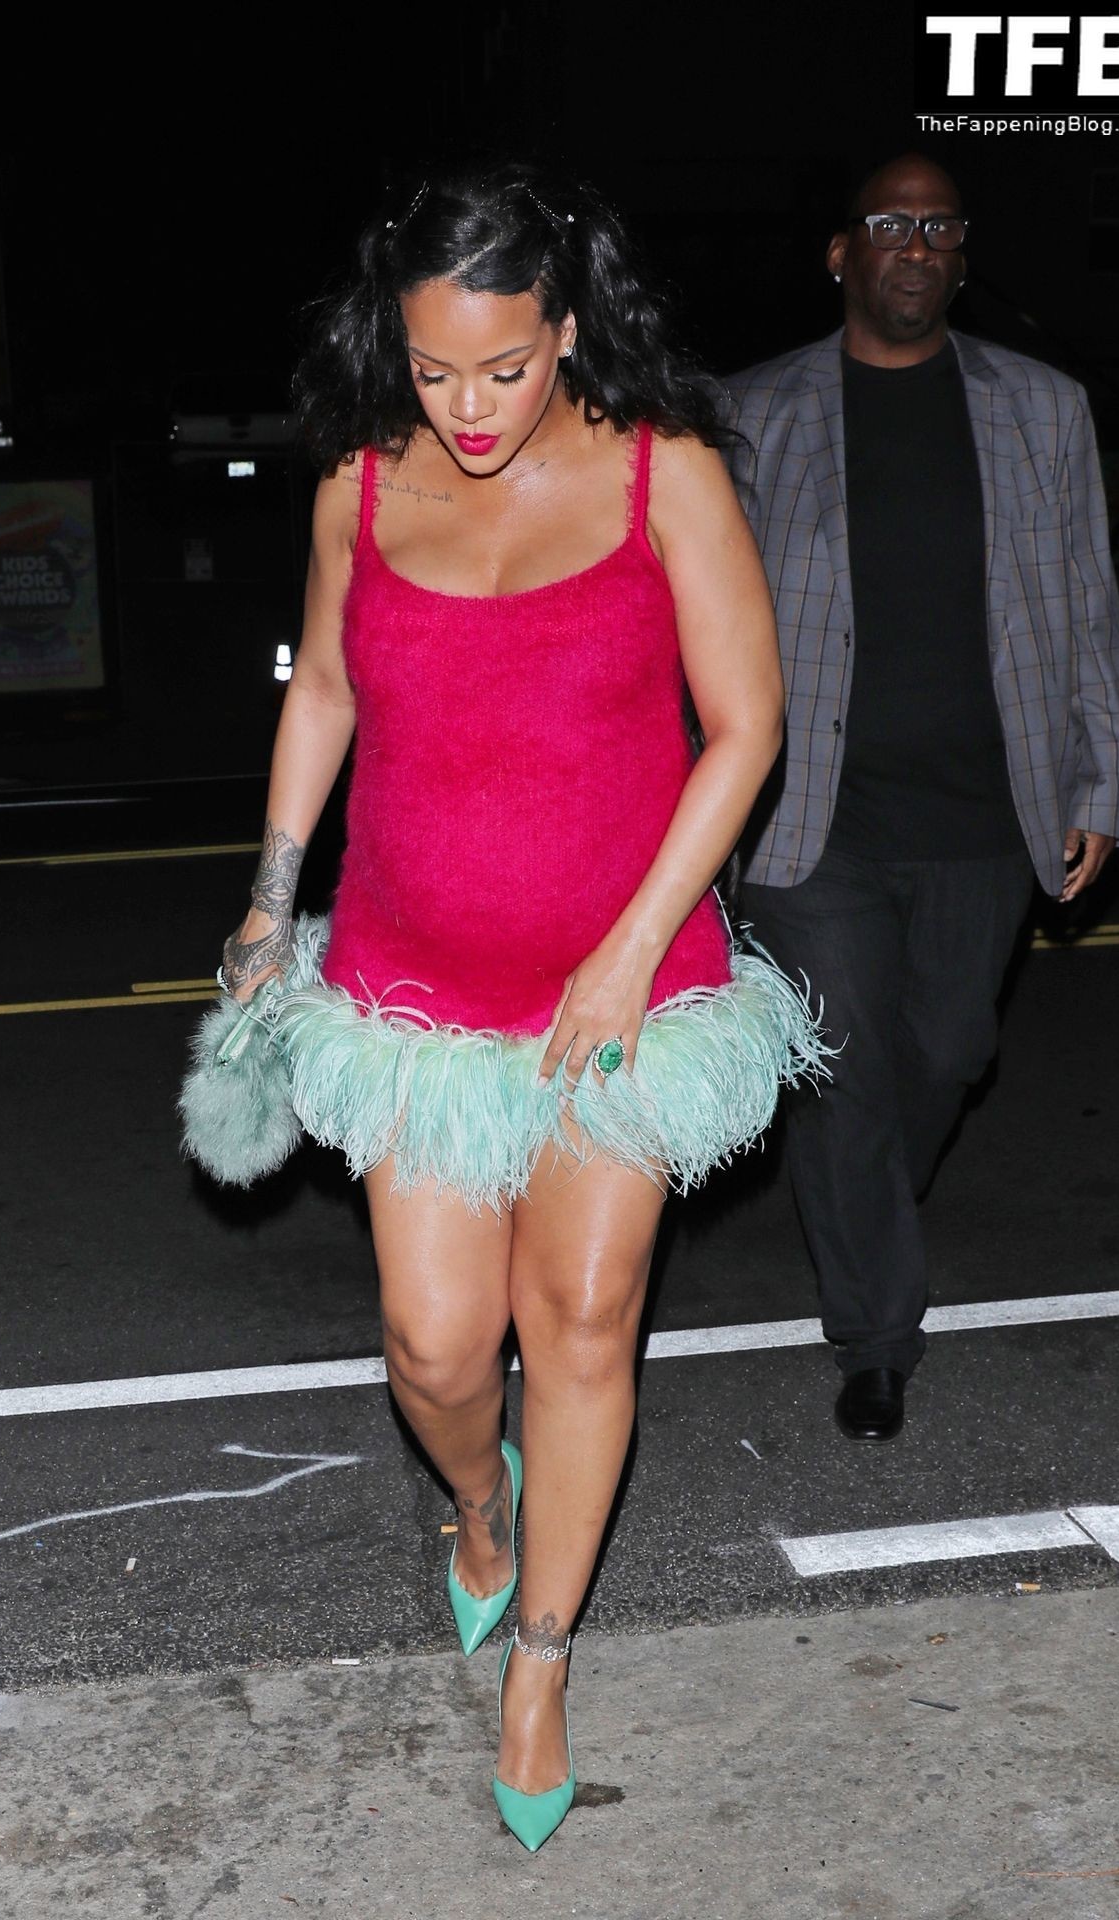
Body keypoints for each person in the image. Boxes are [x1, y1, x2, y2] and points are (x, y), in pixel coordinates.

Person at [180, 161, 827, 1851]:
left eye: (507, 366)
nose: (469, 407)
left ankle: (542, 1659)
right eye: (434, 369)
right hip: (415, 997)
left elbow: (747, 726)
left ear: (571, 327)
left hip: (628, 994)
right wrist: (270, 900)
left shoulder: (663, 469)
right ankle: (482, 1504)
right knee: (436, 1343)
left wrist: (629, 948)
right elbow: (326, 689)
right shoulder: (358, 478)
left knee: (585, 1320)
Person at [721, 153, 1119, 1445]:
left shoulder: (1043, 409)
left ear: (962, 256)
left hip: (985, 811)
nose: (917, 244)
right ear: (839, 253)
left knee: (951, 1051)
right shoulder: (751, 414)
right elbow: (699, 621)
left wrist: (1105, 777)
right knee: (844, 1067)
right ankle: (876, 1338)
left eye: (941, 226)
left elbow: (1087, 602)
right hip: (812, 818)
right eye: (890, 223)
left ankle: (857, 1203)